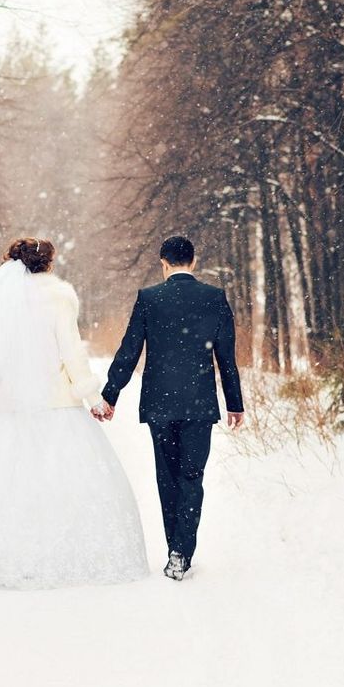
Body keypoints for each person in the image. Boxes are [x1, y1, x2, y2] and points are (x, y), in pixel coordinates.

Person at [0, 238, 148, 589]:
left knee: (11, 485)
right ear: (48, 264)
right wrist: (92, 395)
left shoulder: (3, 302)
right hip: (57, 406)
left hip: (9, 408)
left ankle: (11, 556)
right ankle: (62, 555)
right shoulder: (58, 298)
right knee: (63, 483)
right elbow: (71, 352)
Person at [94, 235, 244, 581]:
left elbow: (129, 351)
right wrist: (235, 403)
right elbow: (226, 358)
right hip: (199, 404)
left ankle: (175, 549)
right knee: (192, 477)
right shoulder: (214, 298)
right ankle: (181, 552)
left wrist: (110, 394)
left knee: (168, 477)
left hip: (160, 403)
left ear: (164, 264)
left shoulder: (149, 299)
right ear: (193, 262)